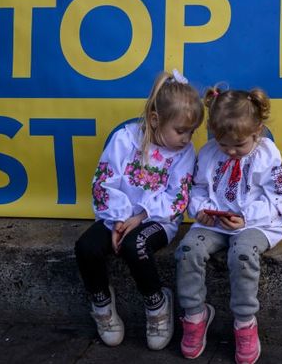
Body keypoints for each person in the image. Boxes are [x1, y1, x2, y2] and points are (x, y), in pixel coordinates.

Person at [74, 70, 203, 350]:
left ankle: (157, 304)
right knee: (86, 247)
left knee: (136, 246)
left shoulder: (185, 152)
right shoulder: (124, 139)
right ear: (156, 120)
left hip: (157, 219)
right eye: (180, 130)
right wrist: (120, 218)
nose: (186, 138)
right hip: (116, 216)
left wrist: (140, 216)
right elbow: (104, 182)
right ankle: (102, 303)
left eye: (191, 131)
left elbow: (178, 197)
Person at [176, 86, 282, 364]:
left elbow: (279, 200)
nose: (230, 151)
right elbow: (198, 189)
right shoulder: (208, 154)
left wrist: (246, 217)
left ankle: (244, 322)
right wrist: (200, 210)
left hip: (258, 223)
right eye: (223, 143)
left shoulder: (268, 155)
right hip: (215, 223)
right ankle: (194, 314)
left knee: (242, 252)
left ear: (257, 132)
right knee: (188, 249)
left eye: (239, 145)